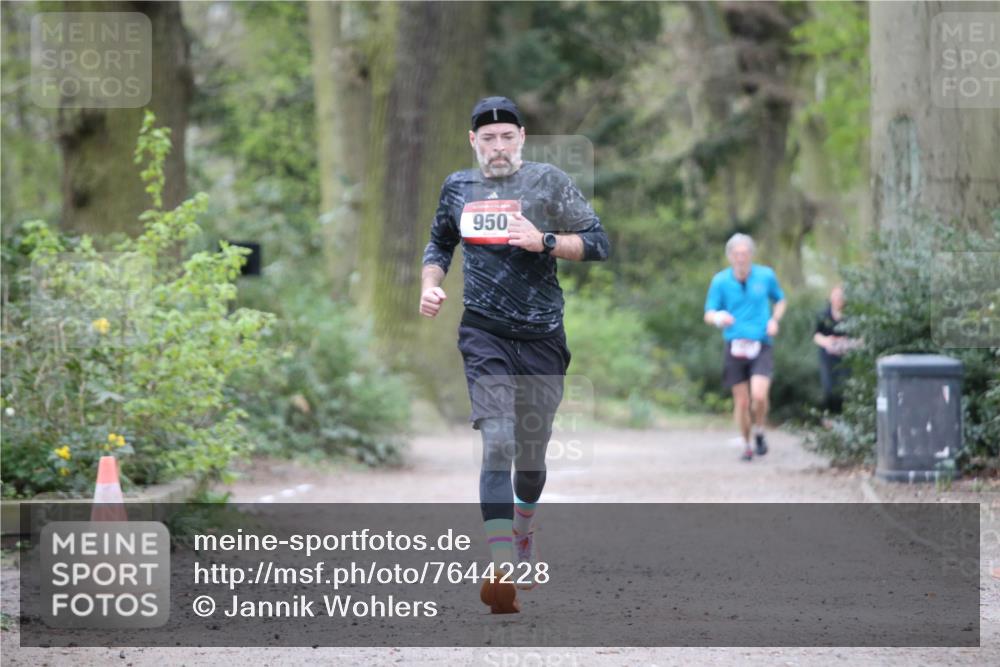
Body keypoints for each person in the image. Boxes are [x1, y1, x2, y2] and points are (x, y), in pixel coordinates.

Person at [419, 96, 609, 613]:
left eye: (507, 137)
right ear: (473, 142)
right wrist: (430, 284)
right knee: (497, 440)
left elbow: (599, 242)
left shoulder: (547, 183)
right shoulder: (458, 187)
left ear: (521, 138)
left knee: (529, 460)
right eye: (488, 138)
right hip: (484, 334)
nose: (497, 147)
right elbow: (438, 245)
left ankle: (523, 531)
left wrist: (545, 240)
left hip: (543, 336)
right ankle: (500, 567)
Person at [703, 233, 786, 461]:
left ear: (751, 255)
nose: (741, 258)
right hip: (735, 345)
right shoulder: (720, 281)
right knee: (742, 401)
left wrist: (774, 320)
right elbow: (708, 314)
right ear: (730, 256)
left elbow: (780, 299)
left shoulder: (765, 276)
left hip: (761, 343)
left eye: (744, 253)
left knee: (759, 396)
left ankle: (760, 430)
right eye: (736, 254)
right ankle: (747, 445)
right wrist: (720, 317)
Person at [813, 285, 851, 413]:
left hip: (846, 359)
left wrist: (847, 344)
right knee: (829, 388)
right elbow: (816, 335)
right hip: (828, 359)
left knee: (844, 389)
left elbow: (861, 338)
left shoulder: (851, 316)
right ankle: (829, 417)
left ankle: (843, 418)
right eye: (835, 296)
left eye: (840, 297)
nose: (837, 300)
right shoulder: (823, 315)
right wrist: (827, 341)